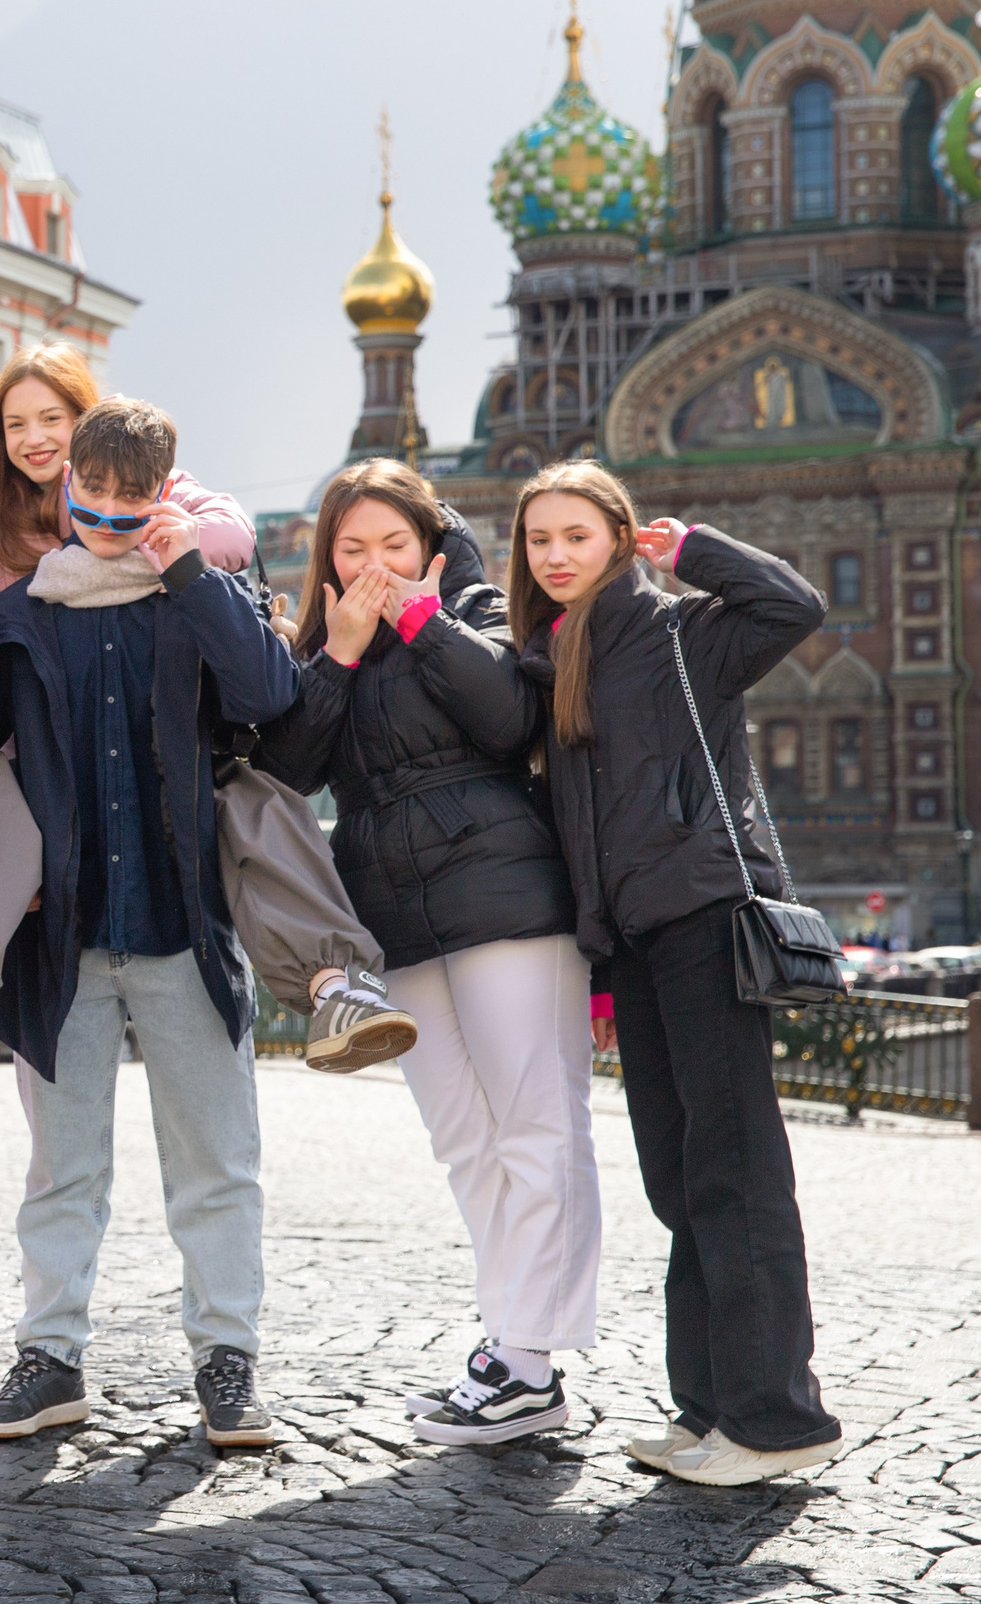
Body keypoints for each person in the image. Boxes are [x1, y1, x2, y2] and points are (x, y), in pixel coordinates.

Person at [0, 344, 411, 1081]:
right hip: (40, 757)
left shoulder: (174, 535)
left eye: (52, 417)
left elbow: (236, 555)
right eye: (16, 424)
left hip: (166, 774)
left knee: (253, 801)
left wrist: (180, 563)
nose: (35, 438)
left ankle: (338, 987)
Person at [0, 397, 294, 1448]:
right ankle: (49, 1359)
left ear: (165, 495)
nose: (111, 520)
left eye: (136, 503)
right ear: (69, 483)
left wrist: (190, 574)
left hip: (186, 924)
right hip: (64, 934)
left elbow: (269, 690)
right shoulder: (23, 611)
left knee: (217, 1161)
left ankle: (228, 1363)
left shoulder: (199, 595)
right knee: (62, 1166)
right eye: (95, 499)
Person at [251, 462, 598, 1445]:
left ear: (429, 547)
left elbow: (508, 717)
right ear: (327, 557)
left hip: (506, 898)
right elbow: (288, 768)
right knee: (464, 1140)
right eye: (352, 550)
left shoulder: (478, 606)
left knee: (536, 1127)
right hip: (390, 912)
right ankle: (510, 1344)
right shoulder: (326, 643)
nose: (374, 566)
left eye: (393, 547)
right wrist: (340, 653)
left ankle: (528, 1359)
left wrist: (418, 617)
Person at [509, 460, 840, 1488]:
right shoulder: (559, 654)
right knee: (677, 1176)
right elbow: (581, 834)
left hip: (702, 914)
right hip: (639, 945)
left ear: (615, 536)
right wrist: (602, 970)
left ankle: (777, 1417)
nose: (556, 554)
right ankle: (709, 1407)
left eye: (576, 533)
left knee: (736, 1170)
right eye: (538, 540)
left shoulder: (680, 632)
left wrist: (691, 547)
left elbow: (793, 604)